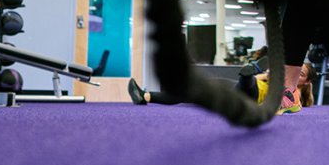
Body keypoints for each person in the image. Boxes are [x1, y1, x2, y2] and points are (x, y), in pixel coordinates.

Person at [127, 62, 317, 113]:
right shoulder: (283, 82)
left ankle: (246, 78)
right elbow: (265, 77)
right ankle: (146, 96)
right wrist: (266, 75)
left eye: (301, 74)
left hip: (254, 96)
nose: (294, 75)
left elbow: (290, 103)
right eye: (296, 70)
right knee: (193, 92)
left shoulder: (295, 93)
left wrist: (268, 77)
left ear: (307, 82)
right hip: (244, 86)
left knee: (248, 86)